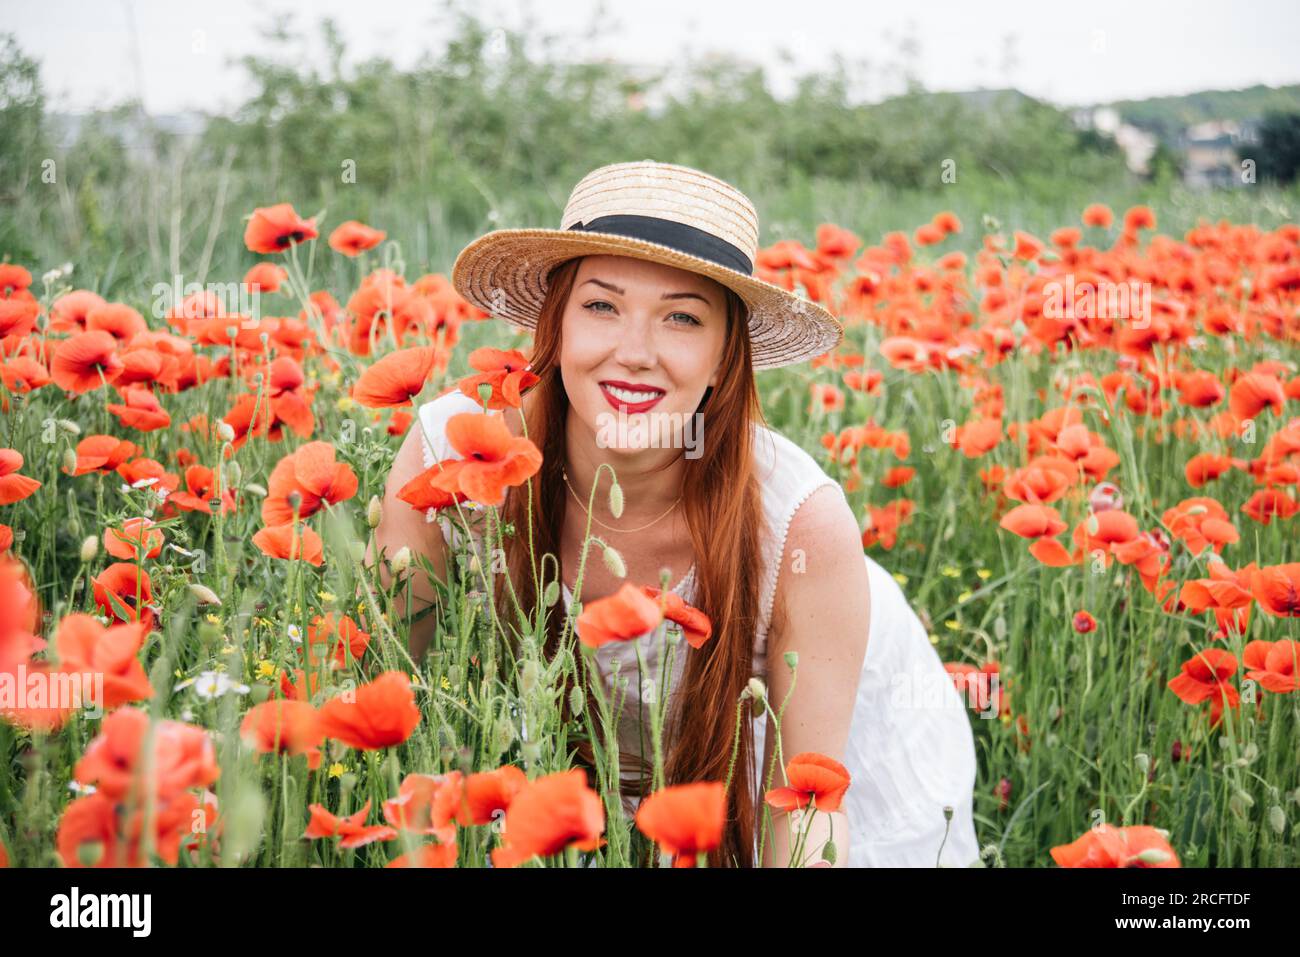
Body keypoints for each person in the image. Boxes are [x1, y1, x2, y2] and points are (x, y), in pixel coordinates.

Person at [373, 160, 979, 868]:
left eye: (682, 317)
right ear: (557, 323)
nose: (634, 354)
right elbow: (384, 682)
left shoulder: (801, 526)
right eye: (601, 306)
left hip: (793, 764)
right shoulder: (455, 455)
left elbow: (807, 806)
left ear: (726, 356)